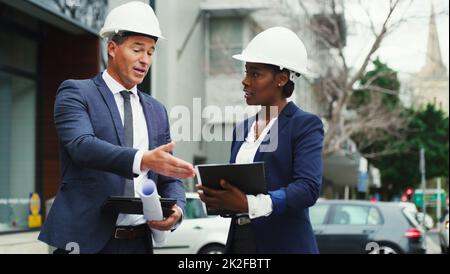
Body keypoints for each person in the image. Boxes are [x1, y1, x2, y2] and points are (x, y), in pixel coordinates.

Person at [38, 1, 195, 254]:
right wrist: (143, 159)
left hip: (139, 242)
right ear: (112, 48)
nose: (145, 60)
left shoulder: (157, 110)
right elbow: (82, 146)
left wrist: (177, 209)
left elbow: (167, 175)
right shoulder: (76, 92)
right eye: (137, 50)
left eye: (151, 52)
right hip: (85, 242)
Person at [197, 27, 324, 254]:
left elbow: (308, 188)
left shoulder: (305, 125)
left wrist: (250, 204)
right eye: (246, 73)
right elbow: (239, 189)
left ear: (282, 79)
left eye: (255, 74)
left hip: (284, 245)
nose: (245, 82)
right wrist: (220, 199)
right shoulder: (242, 129)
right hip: (240, 241)